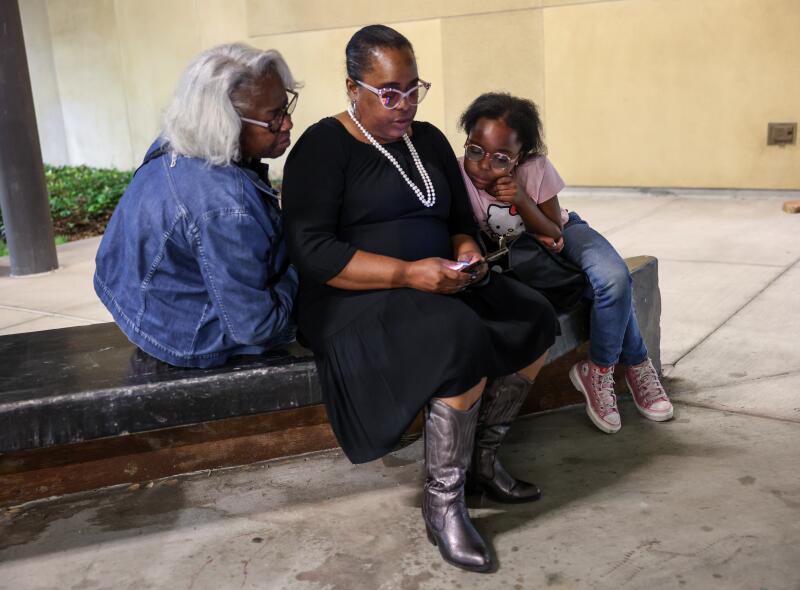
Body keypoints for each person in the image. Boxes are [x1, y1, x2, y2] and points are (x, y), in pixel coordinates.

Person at [281, 25, 558, 573]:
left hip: (439, 280)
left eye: (413, 89)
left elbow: (459, 221)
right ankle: (444, 504)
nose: (404, 104)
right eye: (389, 93)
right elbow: (313, 252)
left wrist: (465, 254)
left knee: (534, 315)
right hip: (354, 294)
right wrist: (408, 274)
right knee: (457, 336)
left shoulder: (427, 139)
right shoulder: (323, 147)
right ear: (352, 88)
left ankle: (482, 457)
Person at [457, 92, 674, 434]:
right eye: (475, 151)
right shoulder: (458, 176)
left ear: (520, 157)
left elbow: (555, 229)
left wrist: (521, 198)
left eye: (501, 158)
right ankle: (637, 361)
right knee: (590, 287)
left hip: (562, 228)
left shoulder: (535, 169)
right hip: (523, 251)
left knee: (614, 278)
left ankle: (599, 370)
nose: (484, 165)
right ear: (467, 141)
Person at [94, 44, 299, 368]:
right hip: (189, 338)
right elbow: (256, 327)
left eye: (286, 107)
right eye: (273, 118)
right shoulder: (226, 207)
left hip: (134, 300)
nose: (287, 124)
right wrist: (299, 268)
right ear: (224, 121)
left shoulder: (178, 138)